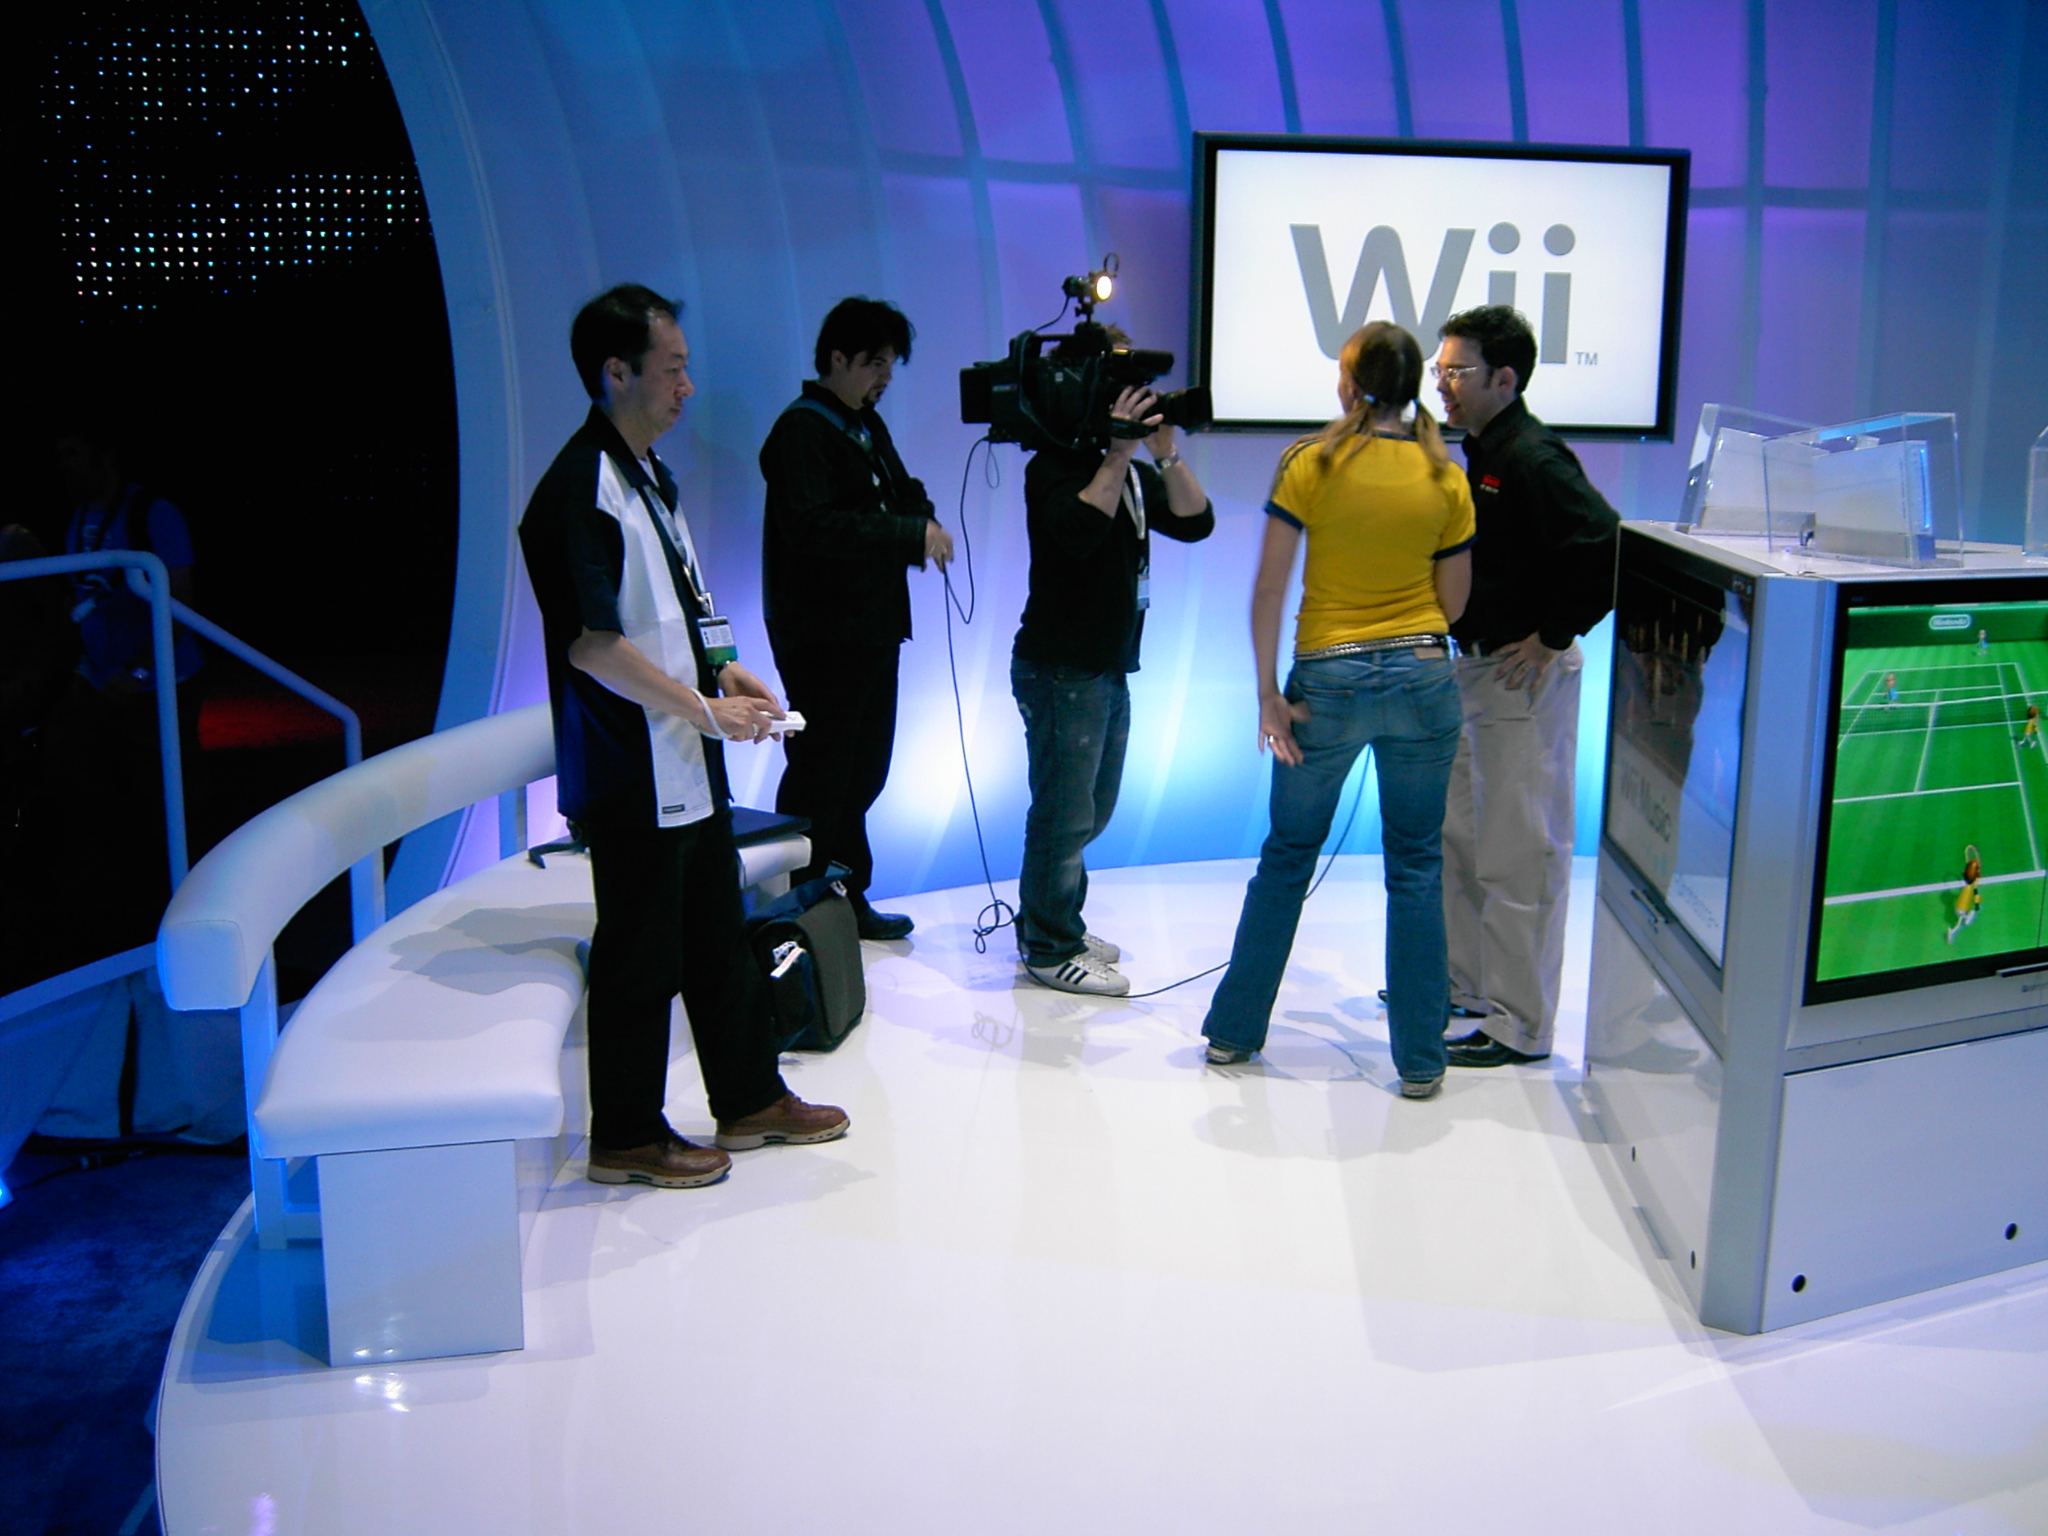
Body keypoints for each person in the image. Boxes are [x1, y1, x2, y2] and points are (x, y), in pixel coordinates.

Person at [518, 284, 848, 1189]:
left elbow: (681, 605)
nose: (687, 387)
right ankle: (625, 1135)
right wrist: (703, 709)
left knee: (714, 936)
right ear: (615, 372)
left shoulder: (647, 474)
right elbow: (592, 645)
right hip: (631, 770)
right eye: (672, 369)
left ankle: (749, 1097)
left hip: (683, 760)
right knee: (640, 955)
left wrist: (725, 669)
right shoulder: (578, 487)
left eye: (686, 369)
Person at [1201, 323, 1473, 1094]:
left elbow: (1268, 589)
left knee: (1288, 856)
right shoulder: (1444, 474)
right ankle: (1420, 1061)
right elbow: (1453, 604)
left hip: (1326, 680)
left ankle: (1233, 1034)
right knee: (1415, 865)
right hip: (1423, 677)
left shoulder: (1311, 462)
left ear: (1350, 383)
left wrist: (1267, 694)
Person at [1431, 305, 1619, 1069]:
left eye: (1458, 371)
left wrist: (1554, 635)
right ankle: (1471, 986)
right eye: (1440, 370)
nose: (1443, 384)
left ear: (1505, 379)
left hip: (1519, 678)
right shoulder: (1482, 451)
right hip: (1474, 669)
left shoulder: (1533, 457)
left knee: (1520, 851)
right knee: (1464, 838)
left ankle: (1520, 1023)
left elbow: (1603, 542)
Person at [1012, 350, 1214, 996]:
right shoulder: (1054, 467)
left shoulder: (1126, 471)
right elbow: (1076, 532)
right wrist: (1120, 452)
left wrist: (1165, 451)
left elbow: (1197, 521)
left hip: (1105, 665)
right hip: (1059, 667)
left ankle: (1052, 919)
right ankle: (1050, 947)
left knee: (1091, 811)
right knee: (1064, 814)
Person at [760, 297, 951, 941]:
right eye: (875, 363)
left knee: (864, 773)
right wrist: (906, 533)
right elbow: (813, 527)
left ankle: (845, 899)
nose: (885, 377)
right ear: (836, 358)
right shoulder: (801, 431)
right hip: (822, 636)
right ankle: (797, 905)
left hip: (872, 629)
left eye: (891, 364)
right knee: (822, 775)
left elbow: (903, 490)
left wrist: (922, 522)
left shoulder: (863, 423)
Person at [1948, 846, 1983, 944]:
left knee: (1960, 921)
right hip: (1962, 908)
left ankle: (1955, 929)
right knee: (1964, 920)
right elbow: (1976, 894)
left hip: (1959, 906)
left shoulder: (1968, 884)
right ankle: (1952, 931)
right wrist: (1977, 905)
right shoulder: (1972, 887)